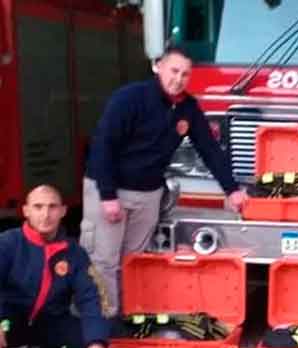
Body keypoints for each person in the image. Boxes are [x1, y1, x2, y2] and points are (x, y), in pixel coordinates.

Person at [81, 46, 246, 317]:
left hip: (148, 196)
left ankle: (125, 321)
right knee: (102, 263)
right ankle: (99, 327)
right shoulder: (128, 99)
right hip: (109, 190)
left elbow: (210, 150)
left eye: (185, 74)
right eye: (174, 70)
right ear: (158, 66)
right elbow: (103, 146)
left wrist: (232, 190)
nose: (178, 79)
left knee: (133, 263)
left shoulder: (188, 109)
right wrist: (108, 195)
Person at [0, 185, 110, 348]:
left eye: (52, 207)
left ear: (63, 211)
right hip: (9, 321)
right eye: (38, 207)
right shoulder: (8, 243)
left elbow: (91, 297)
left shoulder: (75, 252)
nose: (45, 214)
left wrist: (96, 340)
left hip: (52, 321)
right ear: (26, 211)